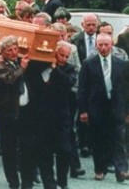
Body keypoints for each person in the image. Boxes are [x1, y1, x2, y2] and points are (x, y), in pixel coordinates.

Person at [78, 33, 129, 182]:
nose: (104, 48)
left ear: (111, 45)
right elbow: (83, 89)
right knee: (98, 140)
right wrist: (83, 111)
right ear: (96, 46)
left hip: (117, 107)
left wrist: (127, 111)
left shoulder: (122, 64)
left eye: (106, 45)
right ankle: (100, 169)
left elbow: (127, 89)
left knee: (118, 139)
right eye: (100, 45)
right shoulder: (88, 64)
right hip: (96, 108)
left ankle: (121, 169)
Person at [35, 41, 77, 189]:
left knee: (64, 151)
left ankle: (62, 181)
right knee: (45, 152)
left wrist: (55, 69)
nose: (63, 59)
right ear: (54, 53)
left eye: (66, 56)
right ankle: (49, 183)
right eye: (61, 55)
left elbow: (68, 82)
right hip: (44, 115)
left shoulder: (70, 69)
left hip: (62, 116)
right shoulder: (41, 66)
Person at [0, 35, 33, 189]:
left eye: (16, 49)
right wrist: (22, 67)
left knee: (27, 148)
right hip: (8, 113)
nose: (14, 52)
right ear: (2, 52)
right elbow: (9, 79)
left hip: (25, 111)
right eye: (9, 50)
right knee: (9, 149)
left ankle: (27, 182)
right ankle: (13, 182)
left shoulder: (19, 61)